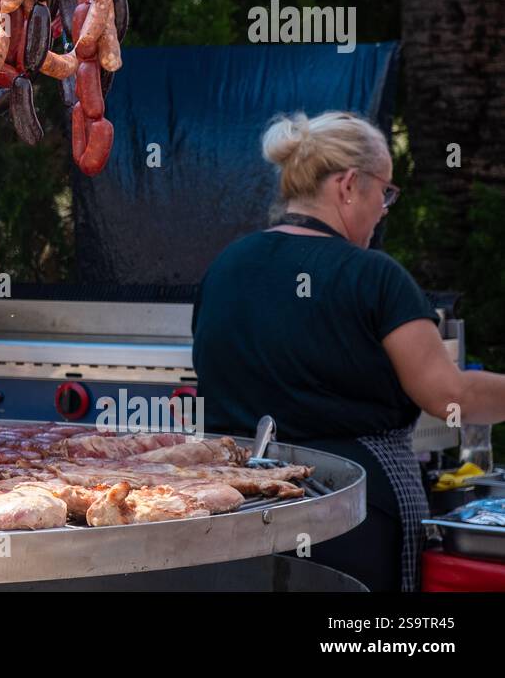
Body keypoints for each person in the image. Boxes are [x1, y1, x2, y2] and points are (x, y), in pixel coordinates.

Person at [191, 111, 505, 591]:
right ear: (349, 185)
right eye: (386, 192)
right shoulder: (374, 276)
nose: (384, 208)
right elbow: (448, 394)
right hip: (348, 509)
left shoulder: (226, 267)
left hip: (232, 505)